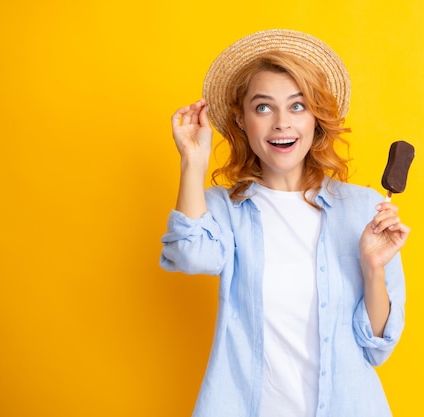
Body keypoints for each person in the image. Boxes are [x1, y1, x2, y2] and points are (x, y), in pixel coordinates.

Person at [160, 29, 410, 417]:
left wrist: (373, 268)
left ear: (316, 118)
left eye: (297, 106)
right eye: (263, 107)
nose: (281, 123)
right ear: (241, 120)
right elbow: (192, 257)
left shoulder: (365, 209)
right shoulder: (224, 209)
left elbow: (376, 345)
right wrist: (193, 160)